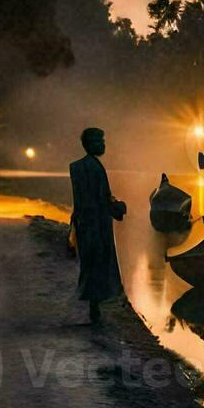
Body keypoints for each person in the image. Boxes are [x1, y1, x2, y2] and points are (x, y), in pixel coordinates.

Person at [69, 127, 126, 324]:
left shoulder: (77, 167)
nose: (103, 145)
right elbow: (101, 199)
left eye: (103, 141)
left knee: (90, 263)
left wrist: (74, 222)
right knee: (99, 263)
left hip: (84, 222)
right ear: (89, 145)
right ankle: (95, 310)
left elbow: (79, 200)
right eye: (99, 142)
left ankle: (94, 307)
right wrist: (118, 207)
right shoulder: (95, 168)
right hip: (97, 224)